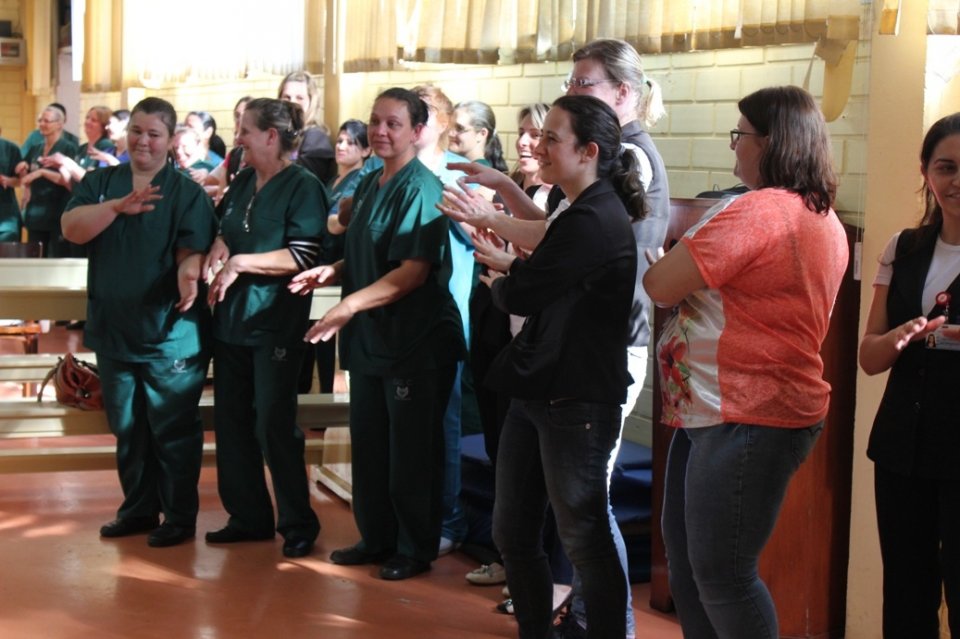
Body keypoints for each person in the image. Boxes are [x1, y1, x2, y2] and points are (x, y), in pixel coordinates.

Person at [643, 85, 848, 639]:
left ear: (771, 142)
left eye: (741, 136)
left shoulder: (760, 211)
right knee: (689, 563)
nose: (734, 149)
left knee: (723, 575)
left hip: (748, 412)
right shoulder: (818, 214)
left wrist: (672, 264)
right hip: (721, 409)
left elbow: (661, 284)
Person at [458, 95, 641, 638]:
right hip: (539, 388)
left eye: (551, 138)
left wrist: (503, 279)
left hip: (577, 398)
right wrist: (507, 263)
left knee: (584, 535)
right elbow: (543, 273)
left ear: (588, 152)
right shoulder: (575, 209)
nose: (537, 146)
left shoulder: (597, 214)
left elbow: (528, 292)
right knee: (512, 529)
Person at [288, 87, 464, 580]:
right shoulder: (369, 185)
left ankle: (414, 547)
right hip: (371, 341)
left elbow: (411, 271)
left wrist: (346, 305)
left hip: (414, 342)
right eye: (375, 121)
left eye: (394, 123)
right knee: (370, 443)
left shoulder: (423, 189)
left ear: (417, 132)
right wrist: (335, 271)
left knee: (411, 451)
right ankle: (377, 537)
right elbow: (370, 251)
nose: (381, 131)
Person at [60, 96, 216, 547]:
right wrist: (116, 207)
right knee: (127, 428)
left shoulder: (185, 193)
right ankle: (138, 510)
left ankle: (180, 517)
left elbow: (193, 251)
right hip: (115, 330)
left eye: (154, 134)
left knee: (171, 430)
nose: (143, 141)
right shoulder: (101, 182)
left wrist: (190, 273)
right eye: (137, 132)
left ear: (170, 140)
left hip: (171, 335)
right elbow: (72, 228)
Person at [201, 98, 327, 559]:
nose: (238, 138)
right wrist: (220, 244)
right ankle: (248, 516)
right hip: (231, 323)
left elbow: (302, 254)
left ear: (271, 137)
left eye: (245, 130)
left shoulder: (303, 187)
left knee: (274, 425)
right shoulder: (242, 183)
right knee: (232, 424)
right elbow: (227, 227)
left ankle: (297, 521)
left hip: (273, 325)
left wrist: (241, 261)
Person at [859, 112, 960, 638]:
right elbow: (870, 357)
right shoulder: (904, 248)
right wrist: (900, 337)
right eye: (946, 167)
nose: (956, 181)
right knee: (906, 590)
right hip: (902, 447)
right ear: (925, 172)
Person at [297, 119, 372, 396]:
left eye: (350, 142)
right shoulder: (332, 181)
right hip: (320, 265)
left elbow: (335, 224)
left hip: (340, 267)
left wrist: (327, 219)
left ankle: (328, 408)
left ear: (365, 150)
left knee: (331, 349)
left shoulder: (361, 179)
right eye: (339, 141)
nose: (341, 146)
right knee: (313, 343)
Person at [14, 105, 79, 257]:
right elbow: (25, 176)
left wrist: (41, 173)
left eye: (47, 121)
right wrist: (22, 168)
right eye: (40, 120)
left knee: (56, 257)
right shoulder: (35, 148)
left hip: (57, 212)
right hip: (35, 213)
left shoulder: (68, 148)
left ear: (59, 124)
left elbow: (68, 181)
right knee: (34, 257)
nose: (42, 124)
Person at [278, 70, 336, 184]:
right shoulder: (285, 133)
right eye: (287, 97)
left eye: (299, 98)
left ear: (311, 102)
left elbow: (304, 182)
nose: (292, 102)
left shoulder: (316, 139)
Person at [449, 100, 508, 173]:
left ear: (481, 134)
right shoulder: (462, 169)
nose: (450, 133)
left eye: (459, 128)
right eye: (450, 126)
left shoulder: (479, 175)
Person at [0, 126, 22, 242]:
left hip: (5, 213)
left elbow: (20, 180)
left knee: (7, 254)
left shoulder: (11, 149)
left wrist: (6, 180)